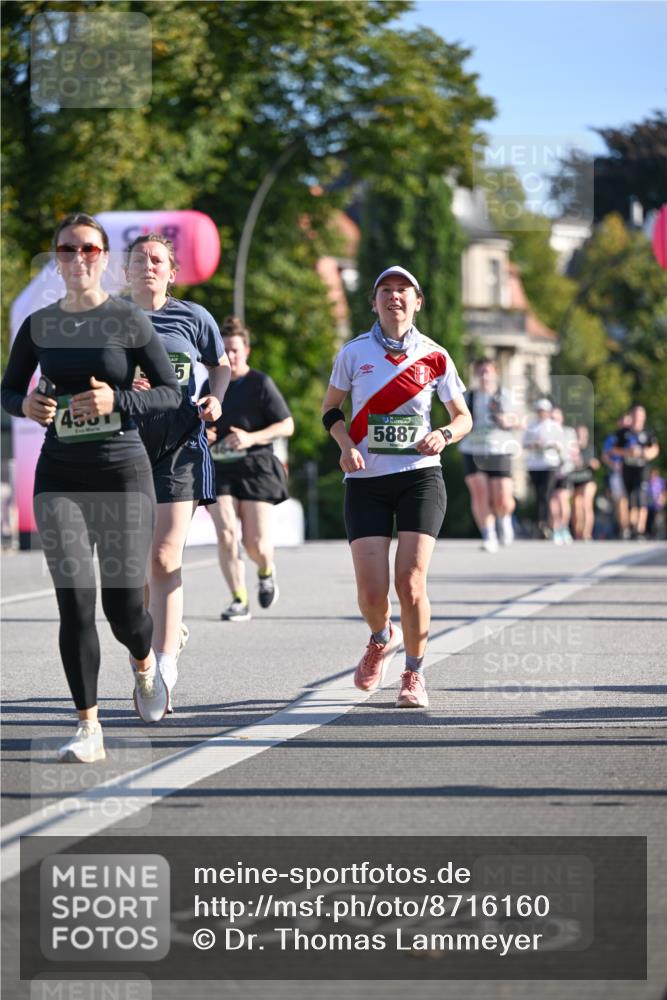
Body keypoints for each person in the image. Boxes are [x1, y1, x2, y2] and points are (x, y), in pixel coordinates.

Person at [1, 213, 181, 762]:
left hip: (122, 473)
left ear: (103, 257)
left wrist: (117, 401)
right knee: (75, 605)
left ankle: (145, 664)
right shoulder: (38, 325)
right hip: (60, 476)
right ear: (57, 258)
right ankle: (89, 727)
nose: (78, 258)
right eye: (66, 249)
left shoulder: (129, 321)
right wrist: (24, 404)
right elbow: (8, 391)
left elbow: (171, 395)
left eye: (88, 249)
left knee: (124, 609)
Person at [321, 265, 471, 709]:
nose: (395, 297)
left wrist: (443, 434)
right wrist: (345, 444)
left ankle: (414, 672)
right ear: (374, 303)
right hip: (365, 478)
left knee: (410, 581)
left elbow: (463, 417)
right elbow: (330, 409)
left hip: (421, 476)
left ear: (418, 301)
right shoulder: (353, 353)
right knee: (372, 593)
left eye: (404, 290)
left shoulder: (436, 356)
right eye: (385, 290)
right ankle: (380, 637)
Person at [125, 234, 230, 708]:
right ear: (125, 272)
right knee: (137, 565)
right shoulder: (108, 319)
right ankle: (160, 635)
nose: (147, 266)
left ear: (172, 271)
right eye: (138, 260)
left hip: (179, 444)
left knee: (165, 558)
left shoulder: (194, 317)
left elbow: (221, 365)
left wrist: (216, 399)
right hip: (123, 447)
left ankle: (162, 669)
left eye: (156, 260)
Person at [203, 316, 294, 621]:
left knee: (254, 543)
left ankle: (266, 570)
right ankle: (238, 599)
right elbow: (197, 422)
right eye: (223, 351)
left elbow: (287, 425)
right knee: (227, 532)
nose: (228, 356)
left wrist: (250, 437)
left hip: (256, 466)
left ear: (246, 351)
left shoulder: (260, 383)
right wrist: (203, 433)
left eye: (234, 350)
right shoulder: (210, 383)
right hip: (219, 467)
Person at [459, 357, 518, 552]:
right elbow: (459, 419)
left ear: (495, 374)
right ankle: (489, 534)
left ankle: (504, 518)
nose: (484, 376)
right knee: (479, 493)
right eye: (481, 372)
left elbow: (519, 420)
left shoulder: (505, 396)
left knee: (502, 499)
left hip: (500, 449)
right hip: (473, 449)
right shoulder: (469, 397)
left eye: (488, 372)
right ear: (477, 375)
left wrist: (505, 419)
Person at [611, 404, 660, 539]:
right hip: (627, 469)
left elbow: (655, 449)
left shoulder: (648, 432)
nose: (638, 418)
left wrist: (646, 453)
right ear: (631, 416)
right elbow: (614, 449)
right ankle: (631, 527)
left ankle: (640, 529)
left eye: (641, 415)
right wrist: (628, 452)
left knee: (641, 497)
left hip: (642, 469)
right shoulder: (623, 433)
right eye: (636, 415)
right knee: (630, 498)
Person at [522, 399, 562, 539]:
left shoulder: (554, 426)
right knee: (538, 495)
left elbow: (561, 446)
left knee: (546, 494)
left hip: (549, 464)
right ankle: (540, 523)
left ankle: (544, 523)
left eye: (544, 410)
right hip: (534, 465)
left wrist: (548, 444)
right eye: (539, 410)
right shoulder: (531, 426)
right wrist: (534, 444)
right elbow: (524, 444)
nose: (541, 413)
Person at [549, 407, 578, 545]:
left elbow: (574, 451)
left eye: (556, 418)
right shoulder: (546, 433)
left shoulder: (569, 432)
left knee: (562, 498)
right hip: (549, 470)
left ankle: (564, 527)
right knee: (553, 500)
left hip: (565, 469)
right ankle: (556, 528)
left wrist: (562, 450)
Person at [601, 414, 630, 538]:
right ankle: (624, 528)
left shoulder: (635, 436)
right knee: (621, 501)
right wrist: (614, 464)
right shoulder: (613, 438)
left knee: (633, 500)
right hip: (618, 473)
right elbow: (605, 455)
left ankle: (633, 526)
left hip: (634, 472)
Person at [570, 424, 599, 541]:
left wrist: (592, 463)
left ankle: (587, 533)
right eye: (578, 434)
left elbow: (597, 464)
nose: (580, 436)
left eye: (582, 434)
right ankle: (577, 533)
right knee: (577, 505)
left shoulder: (590, 448)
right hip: (575, 480)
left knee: (586, 503)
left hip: (588, 479)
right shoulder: (571, 449)